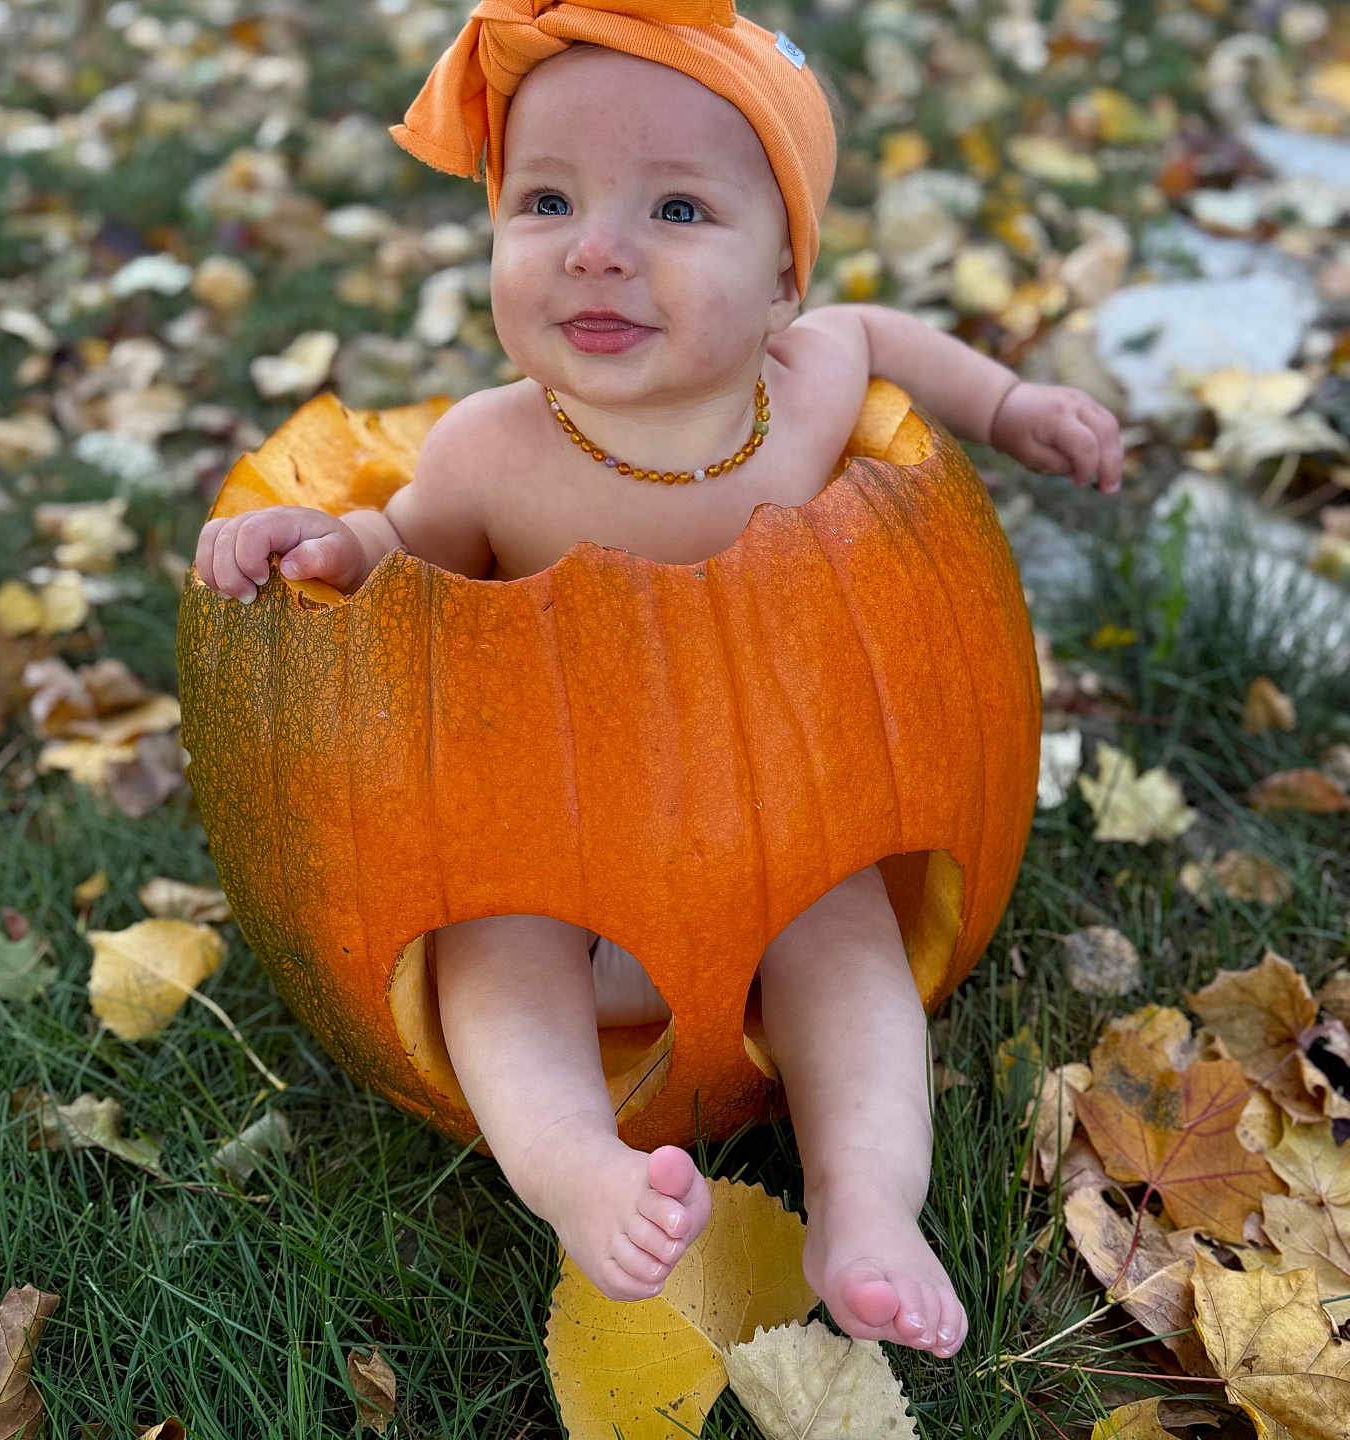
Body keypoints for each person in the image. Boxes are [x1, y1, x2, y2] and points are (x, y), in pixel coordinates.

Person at [195, 0, 1121, 1361]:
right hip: (545, 859)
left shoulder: (806, 394)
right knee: (490, 957)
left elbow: (883, 338)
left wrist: (1012, 408)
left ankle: (867, 1203)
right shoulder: (491, 453)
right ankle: (577, 1168)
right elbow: (401, 550)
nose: (597, 249)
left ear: (782, 280)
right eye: (547, 201)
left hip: (786, 843)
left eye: (677, 210)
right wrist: (327, 545)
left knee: (849, 941)